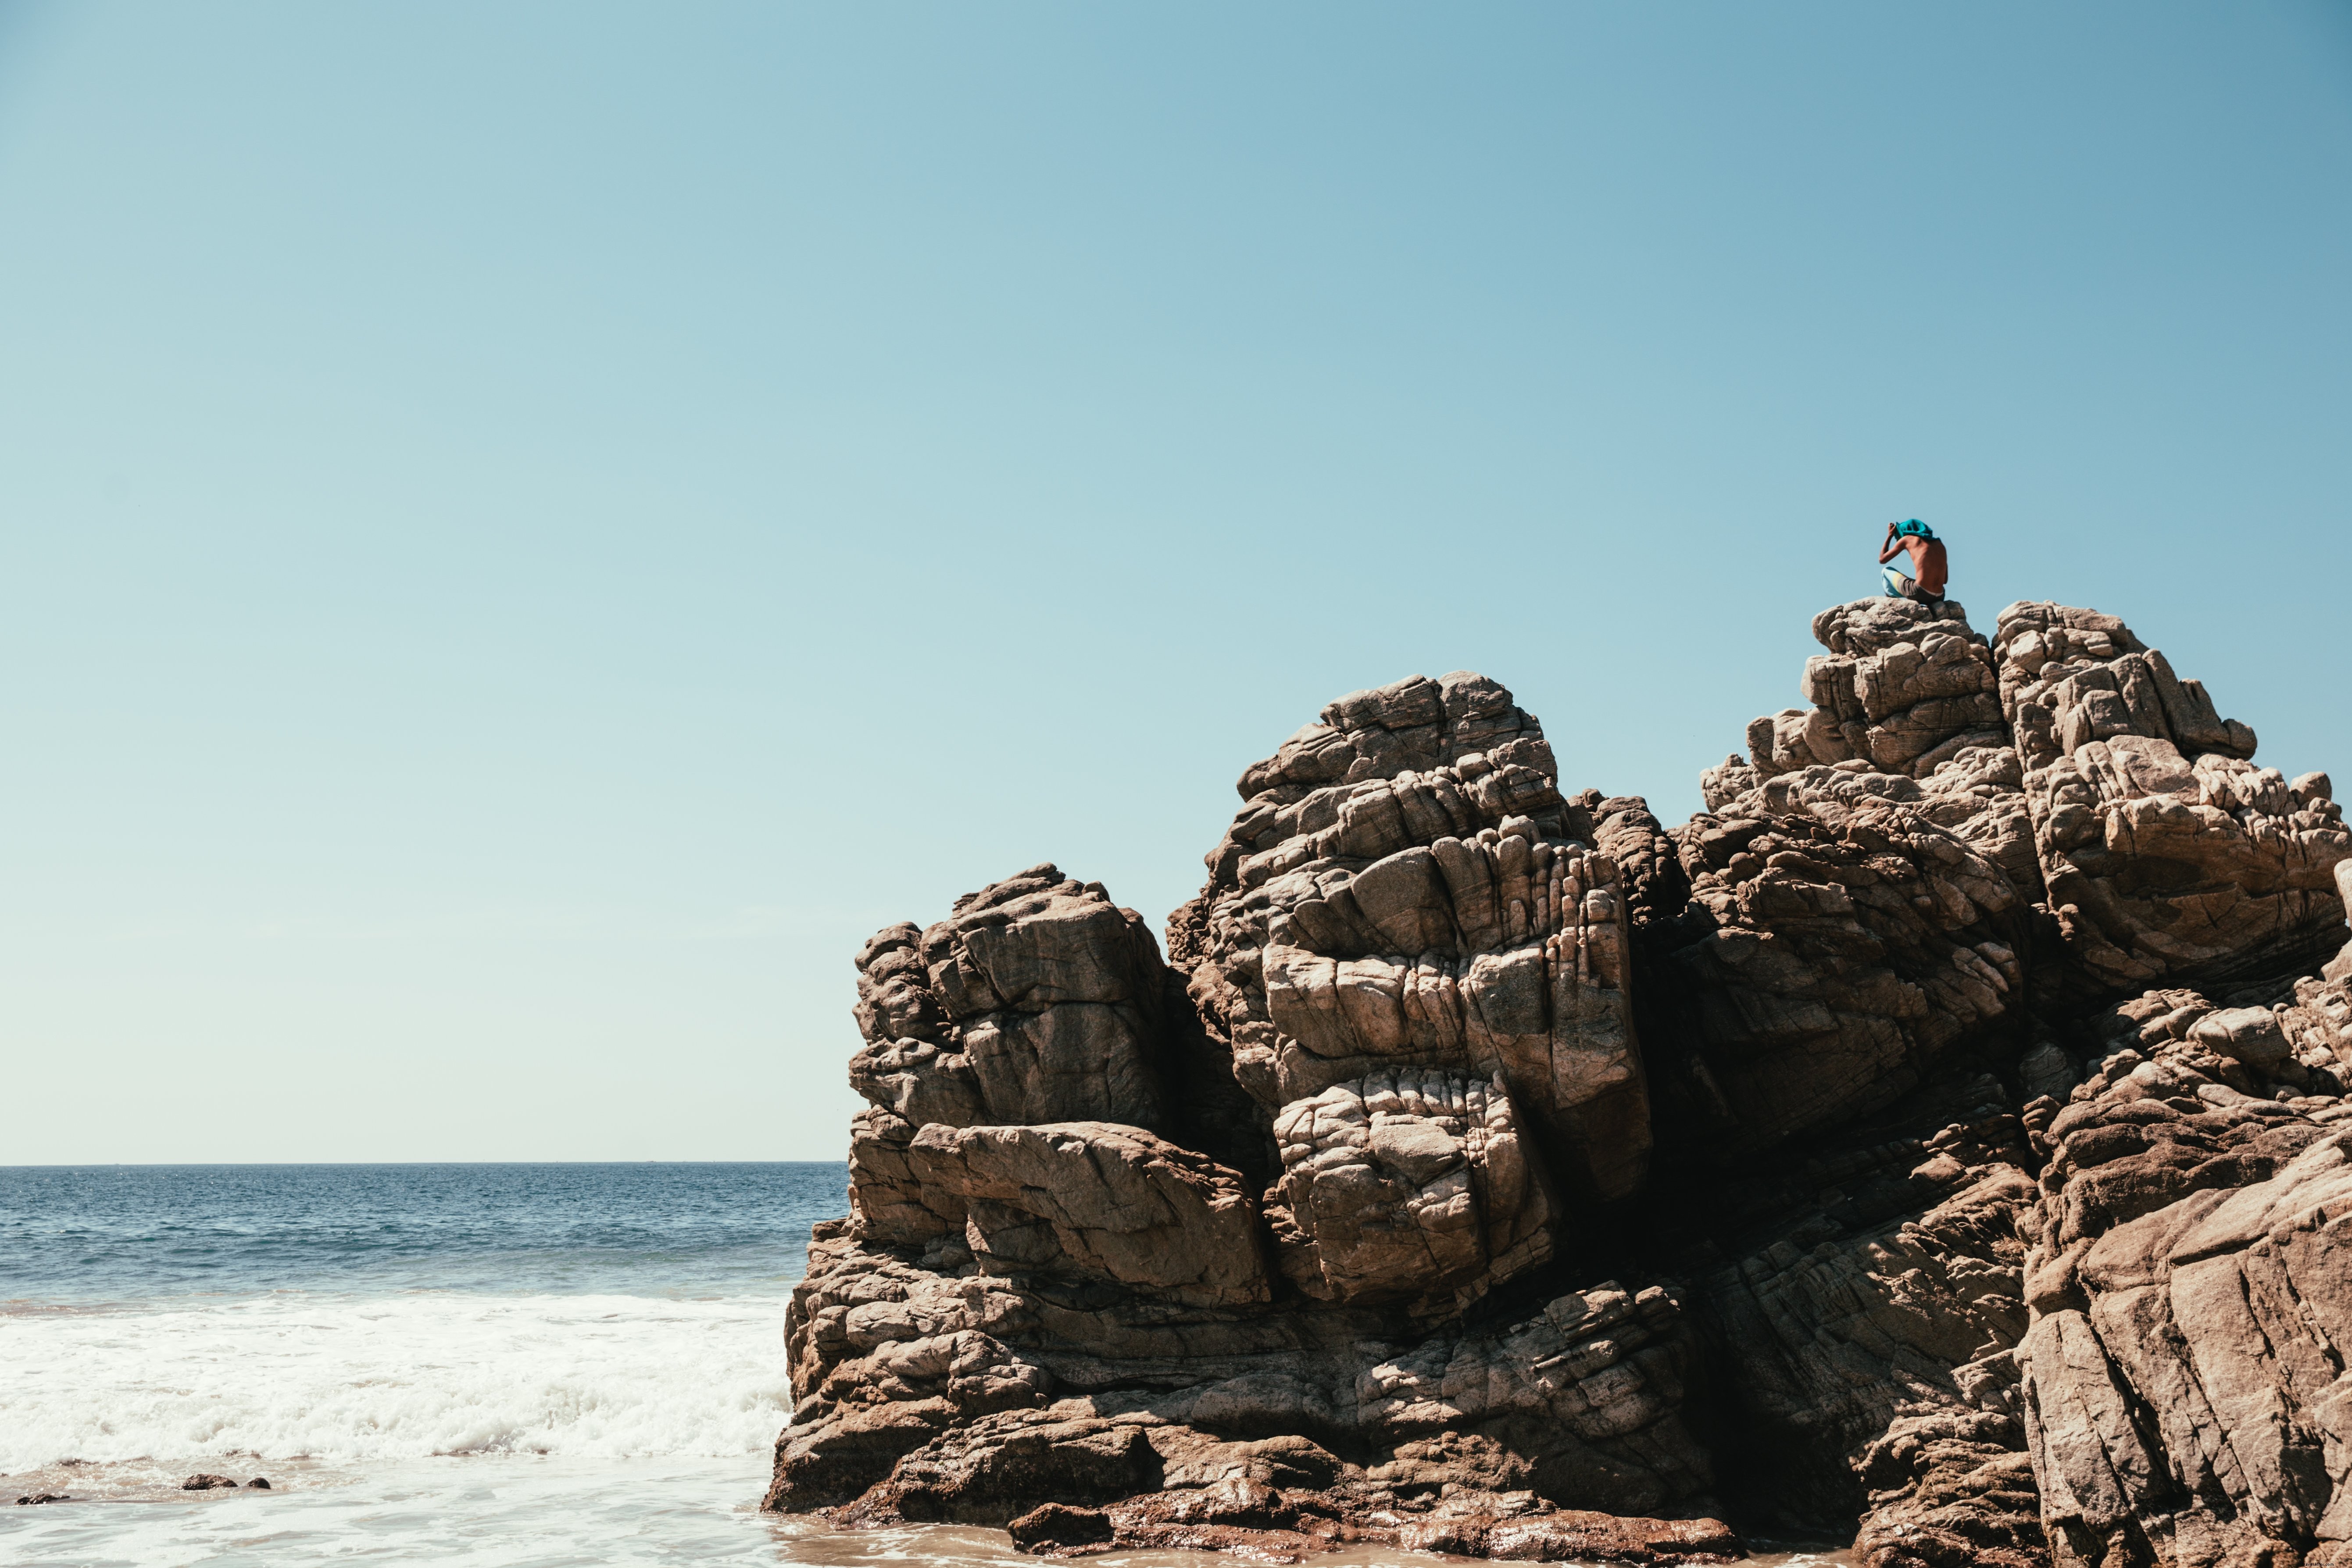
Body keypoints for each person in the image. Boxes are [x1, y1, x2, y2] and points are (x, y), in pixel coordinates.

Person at [1878, 518, 1947, 604]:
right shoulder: (1940, 545)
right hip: (1940, 596)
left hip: (1919, 593)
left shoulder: (1908, 539)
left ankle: (1892, 604)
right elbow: (1945, 580)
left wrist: (1890, 535)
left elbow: (1882, 559)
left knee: (1886, 571)